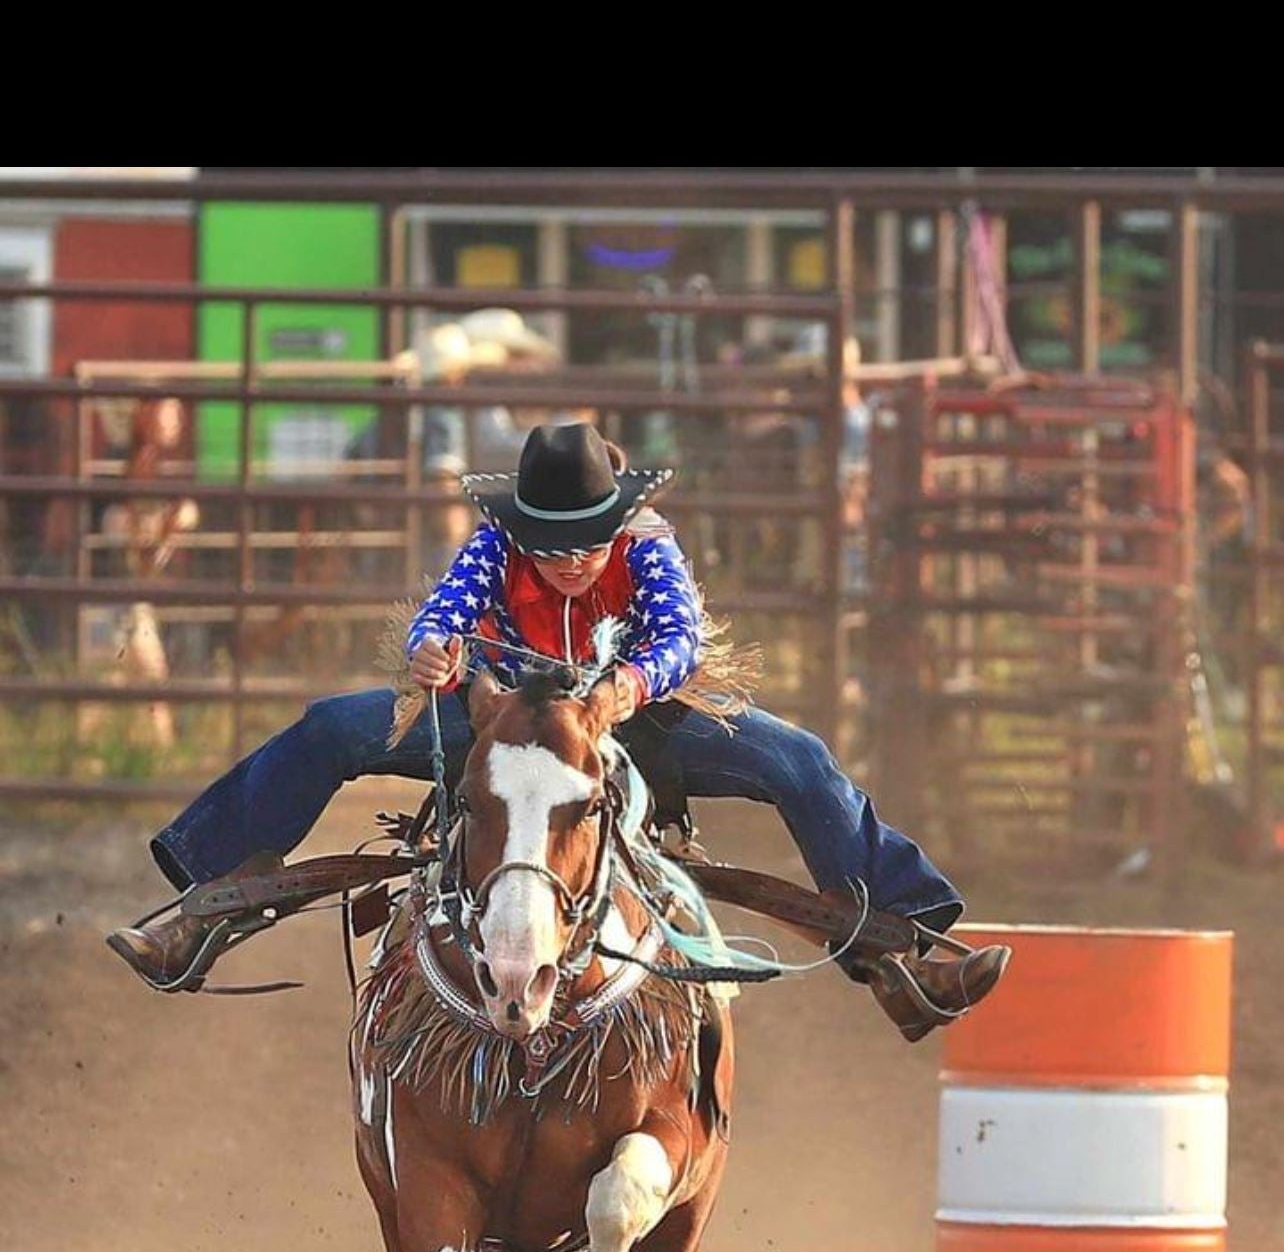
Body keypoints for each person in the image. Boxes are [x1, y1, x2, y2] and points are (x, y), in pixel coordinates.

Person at [106, 422, 1008, 1038]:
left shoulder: (649, 547)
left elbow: (681, 637)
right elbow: (446, 612)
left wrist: (627, 686)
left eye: (588, 542)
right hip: (499, 722)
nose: (571, 562)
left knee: (799, 760)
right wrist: (430, 655)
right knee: (329, 730)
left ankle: (901, 947)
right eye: (551, 543)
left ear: (617, 524)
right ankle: (209, 904)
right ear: (521, 526)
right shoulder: (493, 545)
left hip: (638, 724)